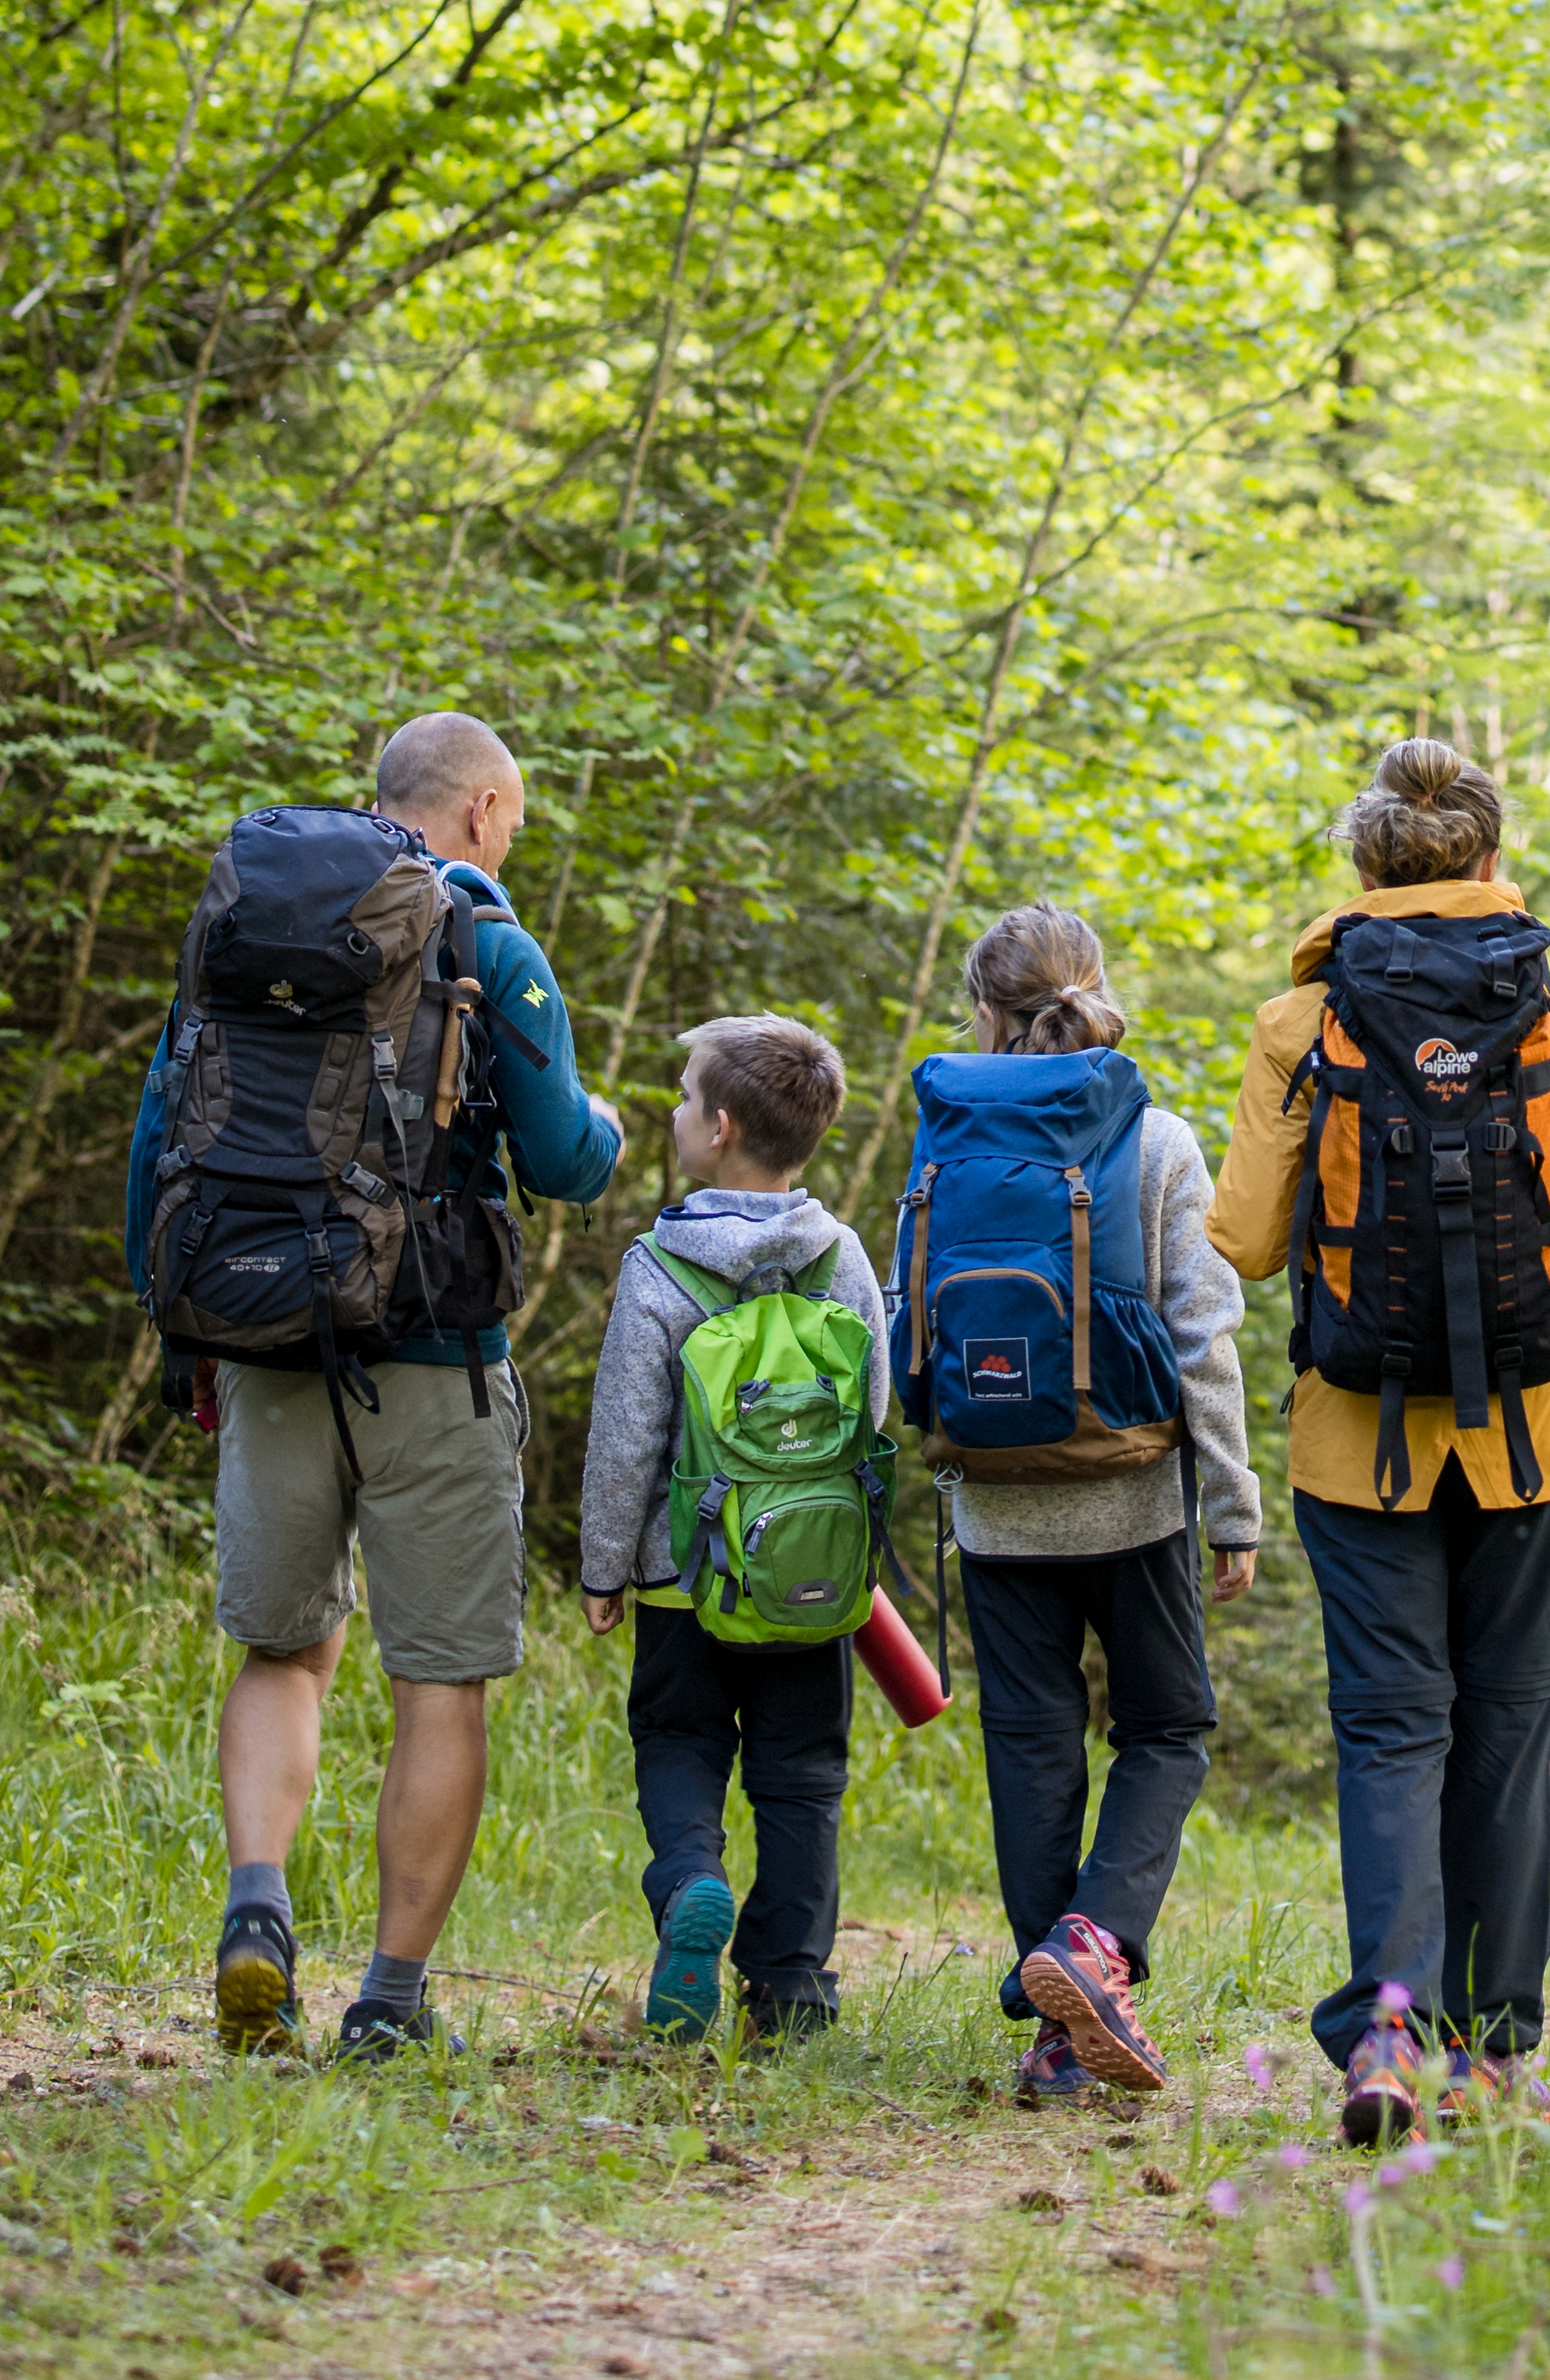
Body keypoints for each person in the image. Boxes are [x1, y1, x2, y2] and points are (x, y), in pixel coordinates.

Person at [133, 711, 624, 2061]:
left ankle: (256, 1911)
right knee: (438, 1681)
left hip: (266, 1346)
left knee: (283, 1649)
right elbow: (569, 1159)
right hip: (432, 1357)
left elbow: (159, 1136)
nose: (510, 838)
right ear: (475, 812)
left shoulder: (243, 936)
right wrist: (615, 1126)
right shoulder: (485, 943)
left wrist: (189, 1339)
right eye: (511, 818)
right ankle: (390, 2003)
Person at [1209, 738, 1550, 2143]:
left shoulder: (1301, 1024)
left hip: (1358, 1438)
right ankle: (1496, 2047)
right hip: (1537, 1437)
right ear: (1486, 856)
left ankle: (1386, 2036)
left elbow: (1235, 1238)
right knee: (1507, 1727)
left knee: (1391, 1726)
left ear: (1364, 869)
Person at [923, 905, 1260, 2100]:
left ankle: (1060, 2033)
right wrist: (1233, 1499)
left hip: (993, 1496)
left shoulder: (941, 1145)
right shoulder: (1152, 1137)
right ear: (1096, 991)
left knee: (1027, 1743)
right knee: (1166, 1728)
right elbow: (1202, 1334)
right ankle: (1093, 1943)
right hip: (1132, 1492)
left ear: (982, 1011)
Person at [576, 1015, 886, 2045]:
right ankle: (790, 1989)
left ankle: (692, 1884)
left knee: (678, 1741)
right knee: (802, 1778)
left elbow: (628, 1437)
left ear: (715, 1127)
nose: (671, 1110)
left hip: (684, 1581)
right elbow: (873, 1413)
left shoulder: (661, 1268)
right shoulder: (840, 1256)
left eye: (679, 1094)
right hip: (809, 1578)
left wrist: (604, 1567)